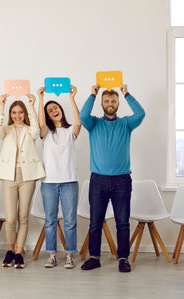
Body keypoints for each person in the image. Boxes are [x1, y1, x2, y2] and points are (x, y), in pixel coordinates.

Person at [80, 84, 145, 273]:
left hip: (122, 180)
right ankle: (94, 257)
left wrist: (126, 94)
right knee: (95, 222)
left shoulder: (126, 123)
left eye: (113, 101)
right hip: (98, 180)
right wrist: (92, 94)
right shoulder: (93, 123)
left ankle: (123, 258)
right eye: (107, 101)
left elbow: (140, 114)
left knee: (122, 222)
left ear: (118, 103)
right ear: (102, 103)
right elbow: (83, 116)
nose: (110, 103)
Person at [0, 94, 46, 269]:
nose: (17, 115)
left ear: (24, 113)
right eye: (14, 112)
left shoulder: (30, 130)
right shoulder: (6, 130)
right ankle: (10, 249)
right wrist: (1, 106)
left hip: (27, 176)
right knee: (10, 218)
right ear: (10, 113)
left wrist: (32, 106)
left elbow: (37, 132)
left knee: (23, 217)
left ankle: (19, 251)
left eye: (20, 112)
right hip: (9, 175)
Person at [37, 85, 81, 269]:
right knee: (50, 220)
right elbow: (40, 124)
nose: (54, 111)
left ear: (61, 111)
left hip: (69, 181)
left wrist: (71, 97)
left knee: (70, 221)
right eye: (50, 110)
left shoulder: (70, 131)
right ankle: (52, 255)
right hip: (49, 183)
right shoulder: (46, 133)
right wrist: (41, 99)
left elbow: (78, 123)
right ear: (47, 115)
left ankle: (69, 255)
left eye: (55, 108)